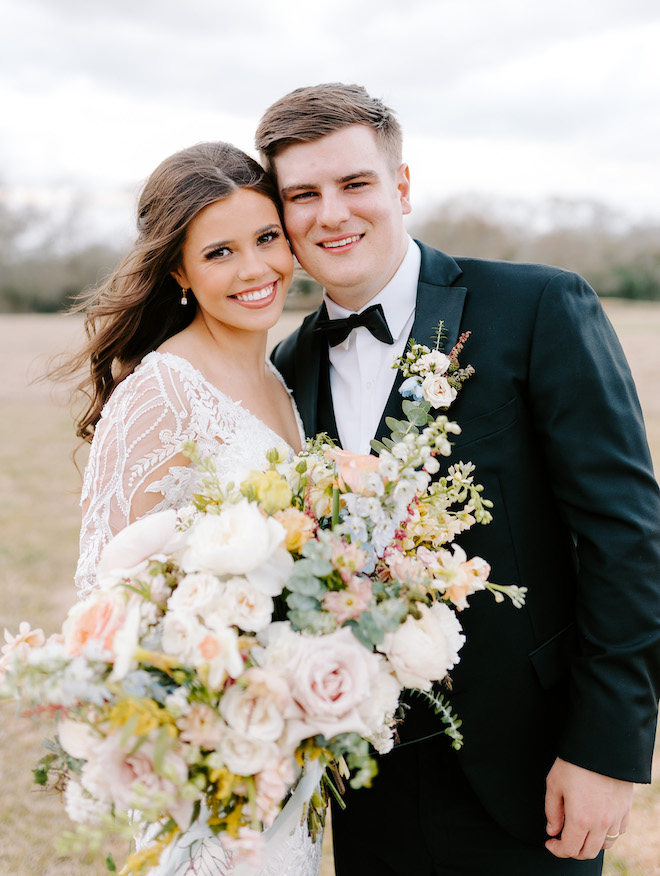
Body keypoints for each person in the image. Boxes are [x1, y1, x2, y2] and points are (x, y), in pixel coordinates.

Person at [255, 83, 660, 874]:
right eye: (302, 195)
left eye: (355, 183)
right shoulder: (285, 368)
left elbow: (627, 537)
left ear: (401, 186)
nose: (331, 214)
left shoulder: (537, 306)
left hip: (535, 775)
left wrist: (607, 752)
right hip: (361, 782)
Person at [59, 141, 322, 875]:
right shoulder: (160, 392)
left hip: (284, 745)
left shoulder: (284, 376)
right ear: (178, 269)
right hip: (204, 756)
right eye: (220, 253)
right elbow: (104, 601)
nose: (255, 268)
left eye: (267, 237)